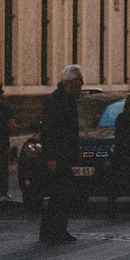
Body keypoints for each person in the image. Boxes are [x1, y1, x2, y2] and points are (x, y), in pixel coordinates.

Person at [39, 64, 84, 244]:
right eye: (80, 81)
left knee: (62, 194)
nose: (82, 85)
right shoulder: (56, 100)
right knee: (60, 194)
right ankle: (54, 230)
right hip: (58, 155)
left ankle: (55, 229)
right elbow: (49, 130)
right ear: (71, 82)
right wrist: (51, 156)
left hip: (65, 153)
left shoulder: (67, 99)